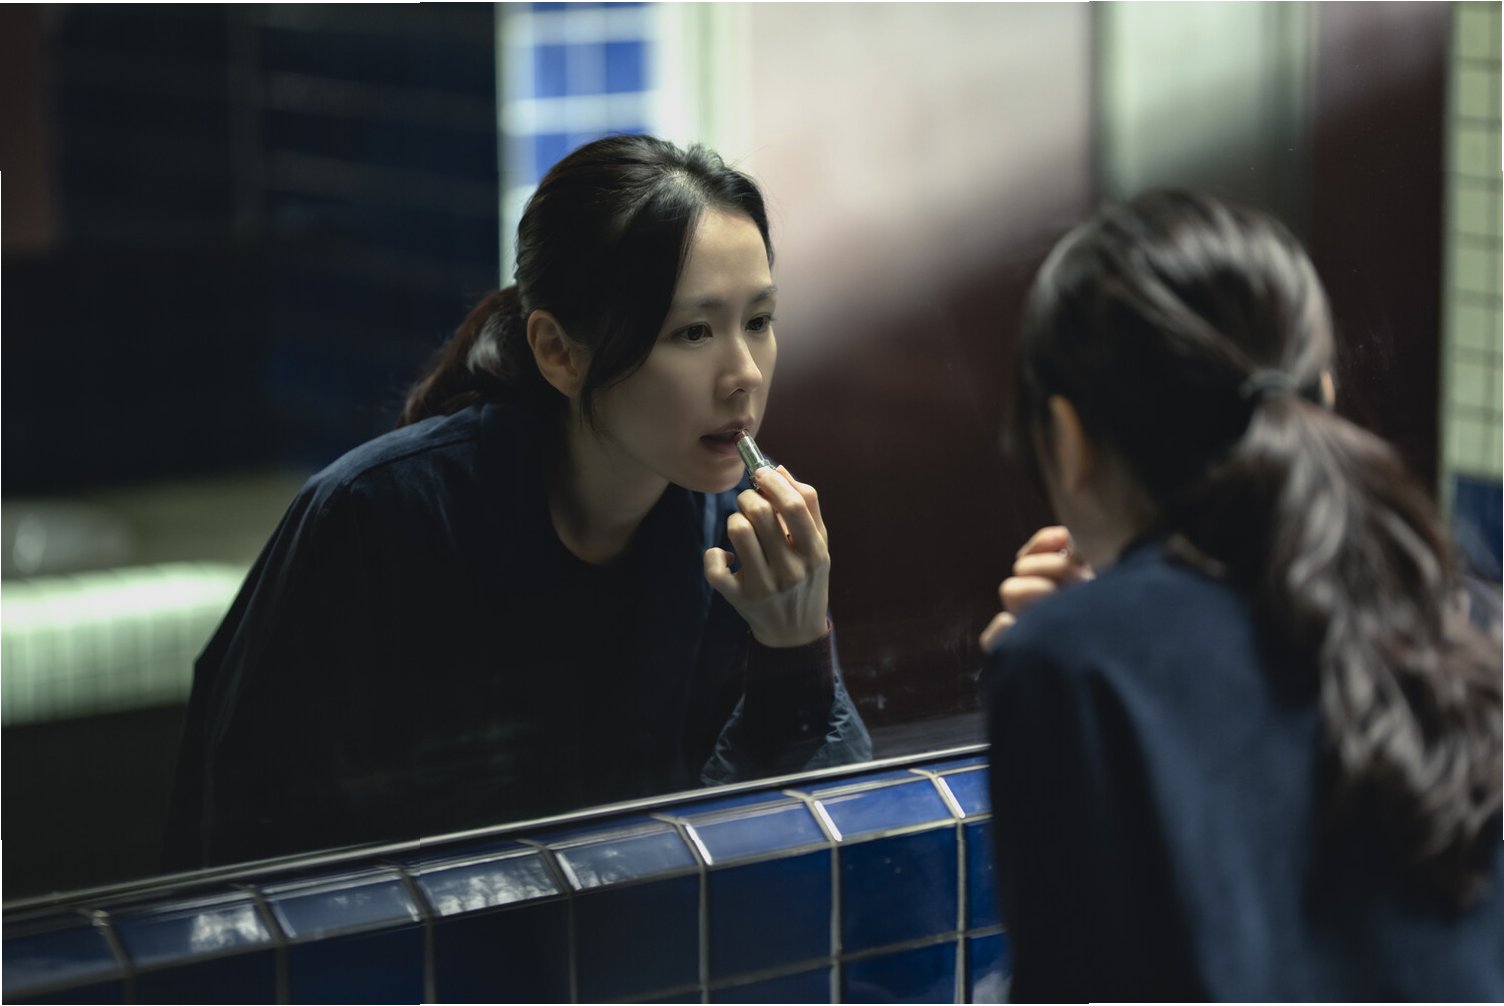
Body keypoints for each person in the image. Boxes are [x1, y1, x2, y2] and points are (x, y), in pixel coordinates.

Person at [166, 135, 871, 870]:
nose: (744, 374)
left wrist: (795, 648)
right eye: (693, 331)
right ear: (559, 353)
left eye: (759, 321)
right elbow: (244, 851)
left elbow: (803, 861)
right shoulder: (375, 520)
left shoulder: (735, 548)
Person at [981, 190, 1503, 1000]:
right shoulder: (1462, 618)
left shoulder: (1069, 665)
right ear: (1321, 393)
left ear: (1069, 440)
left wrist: (1083, 633)